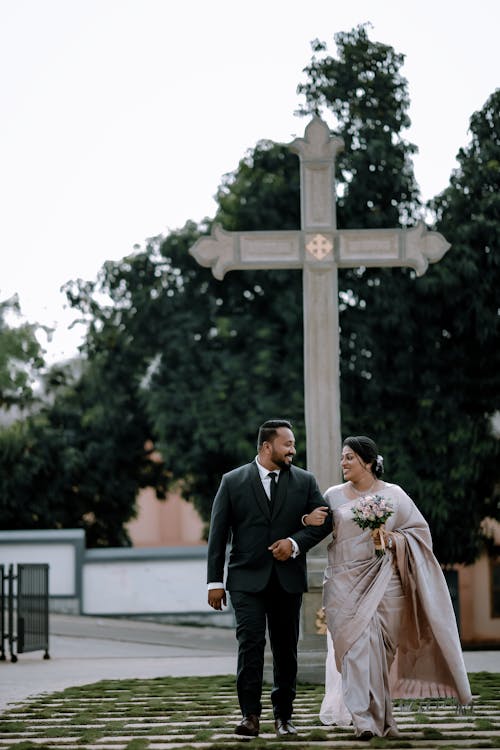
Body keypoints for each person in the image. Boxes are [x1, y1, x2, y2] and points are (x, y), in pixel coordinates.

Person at [302, 435, 472, 740]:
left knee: (380, 655)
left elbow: (419, 533)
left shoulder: (394, 495)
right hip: (344, 582)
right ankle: (362, 720)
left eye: (349, 457)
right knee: (354, 652)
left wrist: (392, 538)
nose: (343, 463)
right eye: (342, 457)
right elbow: (313, 528)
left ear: (368, 462)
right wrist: (306, 517)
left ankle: (382, 717)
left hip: (387, 582)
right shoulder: (332, 496)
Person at [207, 419, 332, 738]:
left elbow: (324, 522)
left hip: (287, 578)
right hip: (245, 579)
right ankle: (250, 716)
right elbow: (218, 535)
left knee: (285, 648)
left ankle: (284, 718)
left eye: (293, 444)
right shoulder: (232, 481)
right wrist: (214, 582)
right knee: (250, 644)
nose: (293, 449)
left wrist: (293, 544)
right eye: (287, 444)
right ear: (266, 446)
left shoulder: (304, 481)